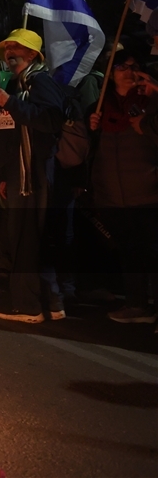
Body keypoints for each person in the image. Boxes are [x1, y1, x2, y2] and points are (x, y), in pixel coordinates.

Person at [0, 29, 64, 323]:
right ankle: (51, 302)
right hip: (22, 173)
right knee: (31, 237)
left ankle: (27, 306)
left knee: (25, 238)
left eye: (16, 48)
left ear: (33, 55)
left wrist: (10, 103)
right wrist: (5, 173)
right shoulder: (21, 85)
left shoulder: (39, 81)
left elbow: (51, 120)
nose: (9, 54)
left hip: (34, 174)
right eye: (6, 50)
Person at [87, 49, 158, 324]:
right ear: (110, 73)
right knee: (130, 253)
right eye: (121, 67)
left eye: (133, 66)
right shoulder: (101, 105)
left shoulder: (150, 99)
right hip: (114, 195)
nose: (128, 72)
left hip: (148, 192)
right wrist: (89, 122)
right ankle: (137, 305)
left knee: (153, 256)